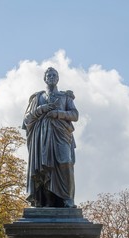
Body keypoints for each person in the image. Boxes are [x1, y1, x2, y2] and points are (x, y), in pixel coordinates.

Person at [22, 67, 78, 208]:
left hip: (61, 134)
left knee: (66, 162)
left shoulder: (65, 97)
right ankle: (47, 201)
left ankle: (67, 199)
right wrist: (42, 109)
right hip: (42, 136)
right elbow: (26, 119)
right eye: (49, 75)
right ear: (45, 78)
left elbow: (75, 115)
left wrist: (58, 113)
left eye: (54, 75)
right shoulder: (37, 98)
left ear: (58, 78)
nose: (52, 77)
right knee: (44, 168)